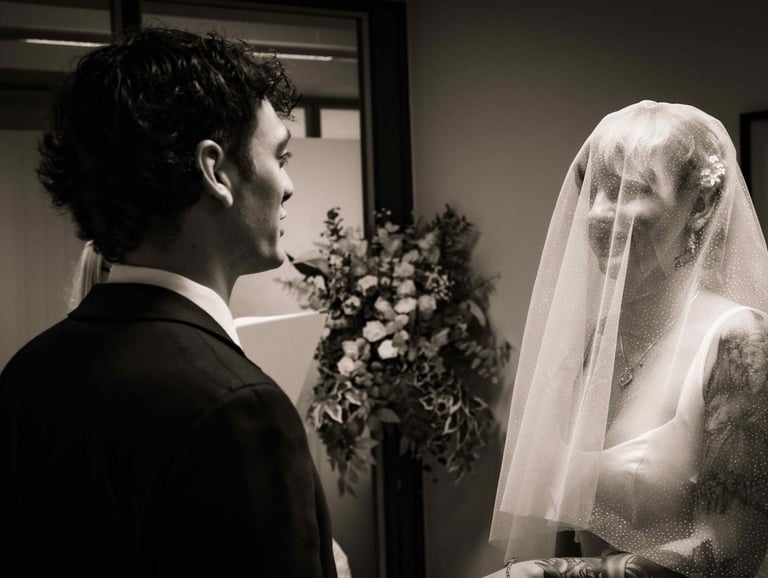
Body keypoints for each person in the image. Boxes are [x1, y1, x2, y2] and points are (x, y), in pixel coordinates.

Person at [0, 27, 338, 577]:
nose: (288, 184)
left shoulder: (29, 372)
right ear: (215, 170)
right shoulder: (237, 407)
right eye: (281, 155)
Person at [488, 101, 768, 577]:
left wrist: (549, 574)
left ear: (698, 207)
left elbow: (731, 551)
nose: (599, 213)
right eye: (593, 189)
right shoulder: (597, 345)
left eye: (627, 190)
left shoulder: (740, 344)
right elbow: (572, 525)